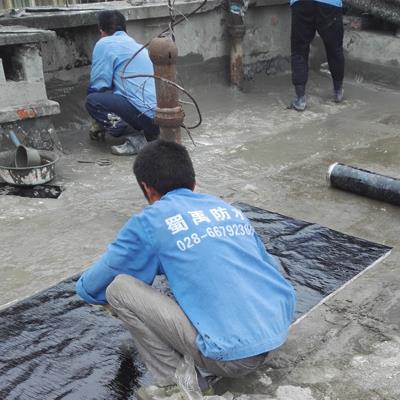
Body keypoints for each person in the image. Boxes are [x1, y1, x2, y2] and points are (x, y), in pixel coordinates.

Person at [76, 140, 296, 399]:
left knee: (119, 289)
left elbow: (91, 288)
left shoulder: (150, 221)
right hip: (275, 335)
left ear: (147, 189)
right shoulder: (227, 209)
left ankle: (178, 384)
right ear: (193, 183)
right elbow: (269, 265)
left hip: (231, 359)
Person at [86, 10, 159, 155]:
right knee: (111, 93)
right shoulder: (138, 46)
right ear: (125, 29)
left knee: (92, 101)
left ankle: (136, 139)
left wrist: (98, 119)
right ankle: (144, 135)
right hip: (155, 122)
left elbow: (98, 84)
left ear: (102, 30)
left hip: (141, 116)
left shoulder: (104, 43)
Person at [290, 0, 345, 111]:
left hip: (301, 3)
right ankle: (338, 92)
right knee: (335, 49)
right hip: (330, 4)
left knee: (299, 49)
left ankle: (300, 99)